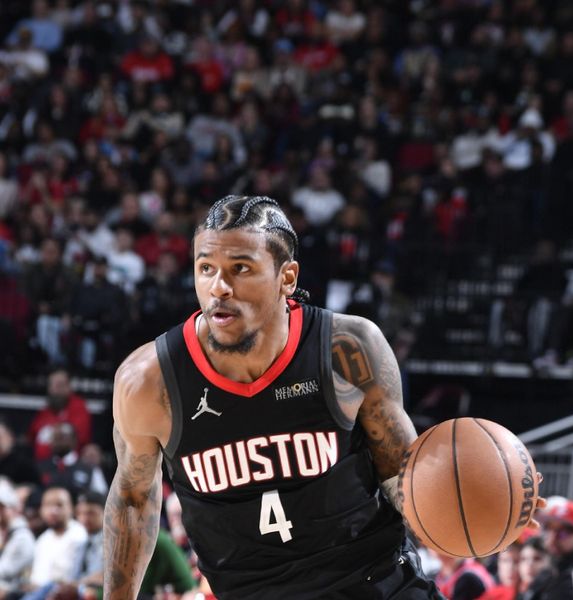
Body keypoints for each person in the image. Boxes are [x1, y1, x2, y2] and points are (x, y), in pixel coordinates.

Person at [103, 195, 545, 599]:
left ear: (287, 277)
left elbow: (400, 481)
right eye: (206, 268)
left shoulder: (347, 350)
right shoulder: (149, 381)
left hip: (375, 584)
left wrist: (488, 497)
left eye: (241, 268)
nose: (219, 286)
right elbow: (133, 503)